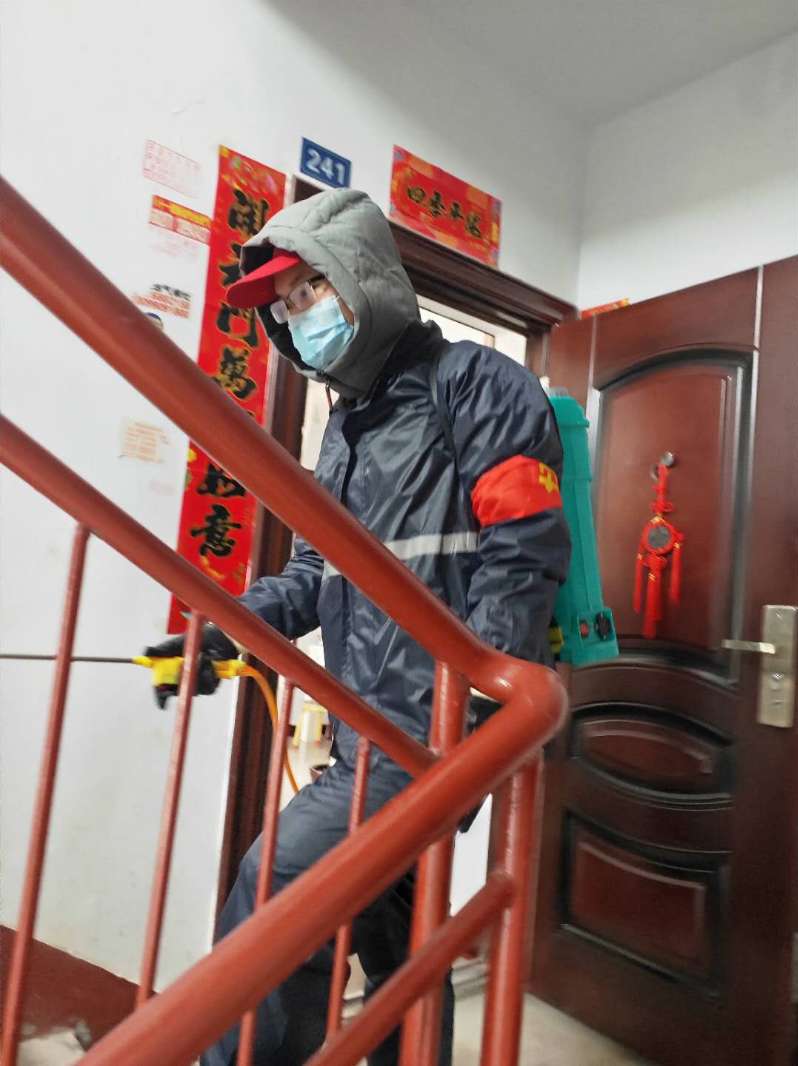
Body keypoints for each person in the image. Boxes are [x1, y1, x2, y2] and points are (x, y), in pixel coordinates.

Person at [145, 188, 571, 1065]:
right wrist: (225, 628)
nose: (298, 315)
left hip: (427, 740)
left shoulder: (478, 383)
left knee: (277, 886)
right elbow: (315, 574)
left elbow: (523, 554)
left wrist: (468, 730)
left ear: (363, 276)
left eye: (309, 289)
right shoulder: (343, 429)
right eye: (285, 304)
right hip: (364, 735)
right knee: (400, 944)